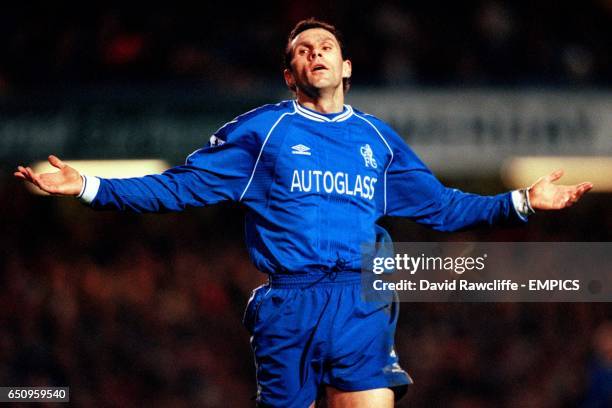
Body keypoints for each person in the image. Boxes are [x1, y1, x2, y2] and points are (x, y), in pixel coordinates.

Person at [14, 18, 592, 408]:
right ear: (291, 75)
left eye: (326, 48)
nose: (315, 53)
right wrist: (89, 184)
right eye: (302, 51)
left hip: (362, 299)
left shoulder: (378, 140)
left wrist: (519, 202)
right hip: (289, 304)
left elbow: (441, 207)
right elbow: (178, 188)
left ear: (345, 68)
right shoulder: (262, 133)